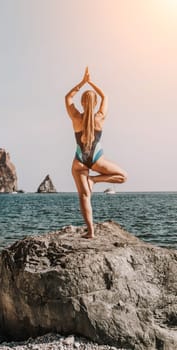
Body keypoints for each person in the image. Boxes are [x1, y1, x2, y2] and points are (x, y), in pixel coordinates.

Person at [65, 67, 127, 239]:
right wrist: (91, 82)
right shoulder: (100, 117)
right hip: (97, 158)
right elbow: (105, 96)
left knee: (85, 196)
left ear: (83, 103)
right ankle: (95, 180)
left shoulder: (76, 117)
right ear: (94, 103)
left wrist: (82, 83)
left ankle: (90, 232)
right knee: (123, 177)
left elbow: (68, 98)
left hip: (79, 161)